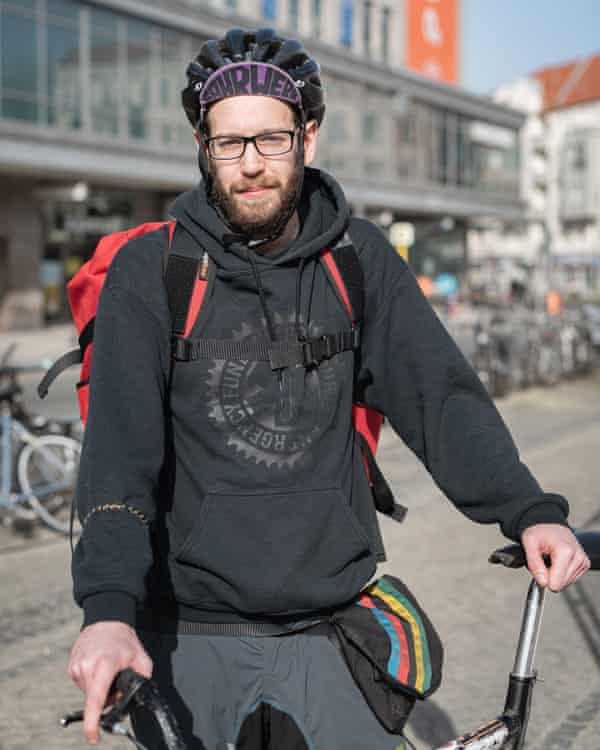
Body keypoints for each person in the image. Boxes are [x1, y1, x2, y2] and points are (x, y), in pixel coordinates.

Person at [68, 28, 590, 749]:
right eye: (230, 143)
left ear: (308, 135)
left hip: (331, 629)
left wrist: (530, 511)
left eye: (271, 139)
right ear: (202, 144)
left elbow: (439, 398)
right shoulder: (152, 270)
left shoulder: (358, 259)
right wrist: (107, 612)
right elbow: (119, 460)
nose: (251, 165)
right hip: (188, 633)